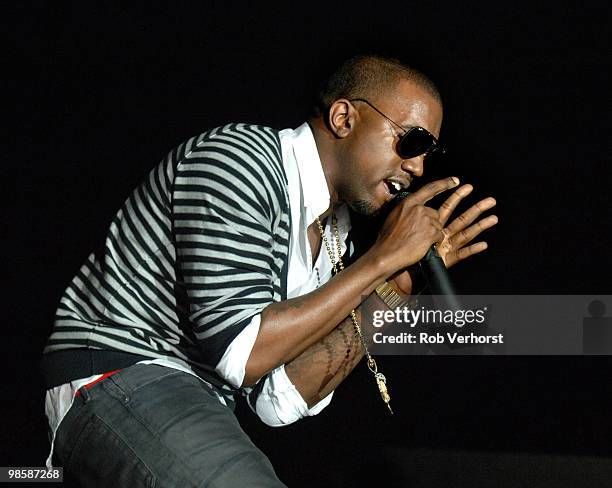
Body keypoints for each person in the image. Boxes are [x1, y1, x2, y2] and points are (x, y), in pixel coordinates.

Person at [41, 54, 497, 486]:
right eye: (412, 141)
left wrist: (400, 281)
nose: (417, 167)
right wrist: (381, 259)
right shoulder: (240, 160)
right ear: (344, 118)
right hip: (119, 371)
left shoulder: (332, 232)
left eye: (427, 153)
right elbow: (242, 354)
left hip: (196, 398)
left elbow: (281, 397)